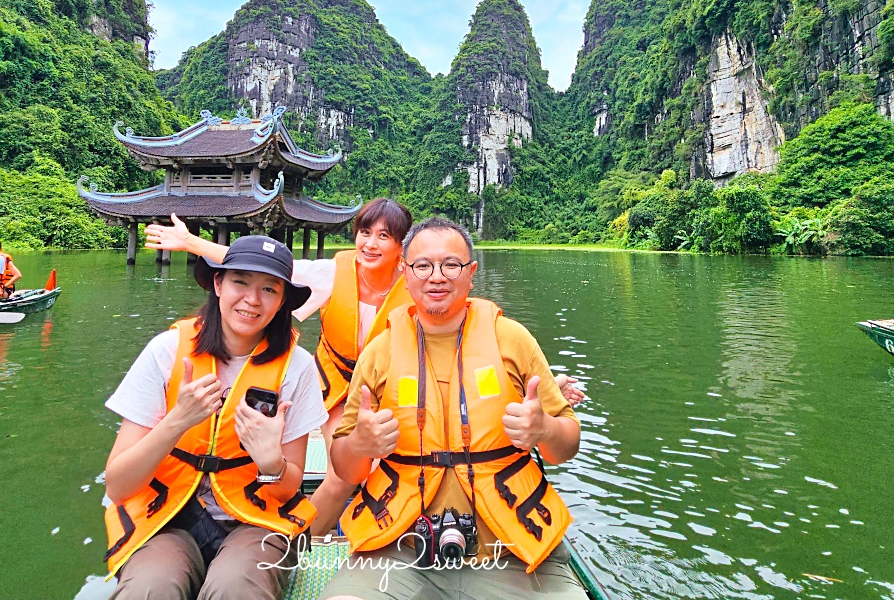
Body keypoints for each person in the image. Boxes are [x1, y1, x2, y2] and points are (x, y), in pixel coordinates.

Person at [147, 203, 586, 534]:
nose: (370, 244)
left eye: (384, 237)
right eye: (363, 233)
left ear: (401, 251)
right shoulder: (329, 274)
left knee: (396, 457)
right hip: (340, 386)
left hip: (397, 386)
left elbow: (470, 338)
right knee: (343, 470)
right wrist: (191, 243)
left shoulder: (421, 283)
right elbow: (261, 266)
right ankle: (303, 538)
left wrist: (539, 391)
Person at [320, 217, 588, 600]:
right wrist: (360, 444)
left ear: (471, 273)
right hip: (400, 547)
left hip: (511, 549)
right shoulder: (379, 352)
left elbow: (566, 447)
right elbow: (346, 468)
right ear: (405, 272)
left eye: (451, 265)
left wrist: (544, 429)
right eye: (423, 266)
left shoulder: (511, 339)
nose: (437, 277)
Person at [102, 235, 329, 600]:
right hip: (167, 516)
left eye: (269, 289)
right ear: (219, 284)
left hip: (255, 520)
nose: (253, 300)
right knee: (151, 587)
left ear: (283, 300)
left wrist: (270, 460)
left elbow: (287, 489)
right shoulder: (167, 350)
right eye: (240, 282)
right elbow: (118, 486)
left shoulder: (297, 368)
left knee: (236, 588)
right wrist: (177, 421)